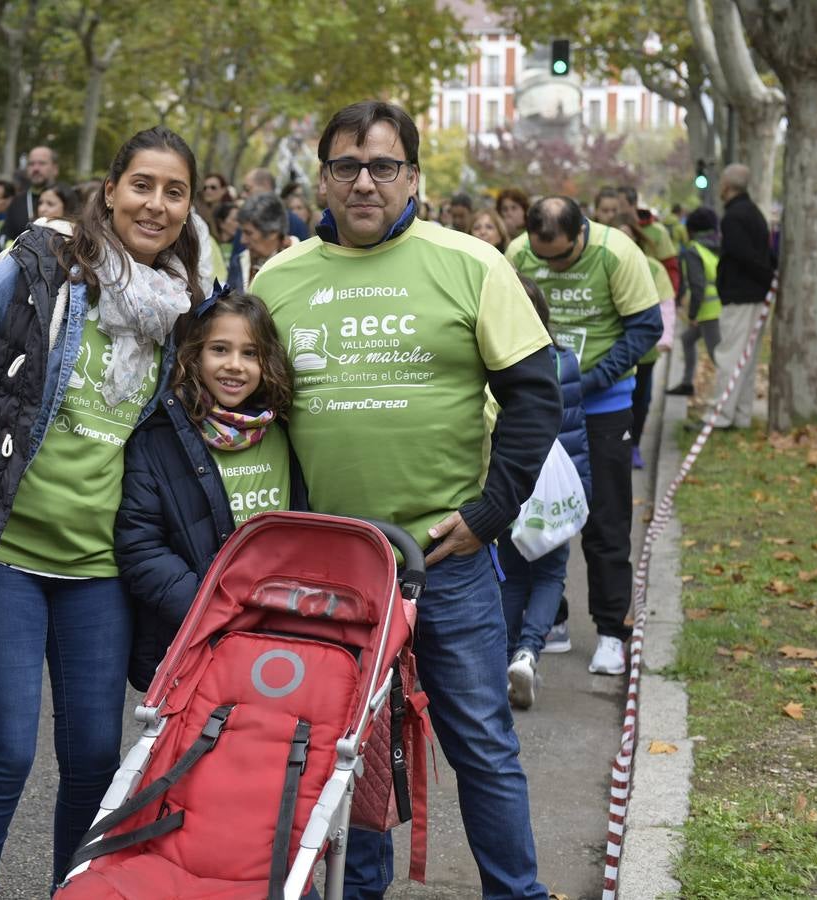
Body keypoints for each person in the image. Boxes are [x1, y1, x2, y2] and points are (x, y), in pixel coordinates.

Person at [252, 99, 560, 899]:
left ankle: (515, 893)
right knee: (346, 748)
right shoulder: (277, 279)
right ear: (322, 178)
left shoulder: (472, 264)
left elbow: (534, 397)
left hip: (444, 562)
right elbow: (248, 408)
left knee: (483, 748)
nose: (364, 183)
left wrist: (491, 513)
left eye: (382, 166)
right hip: (331, 568)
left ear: (413, 177)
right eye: (346, 167)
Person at [0, 125, 203, 897]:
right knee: (5, 749)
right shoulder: (41, 262)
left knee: (97, 755)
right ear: (110, 189)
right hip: (1, 547)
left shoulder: (182, 309)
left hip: (100, 565)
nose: (155, 204)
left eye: (174, 191)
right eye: (142, 185)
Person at [115, 289, 300, 690]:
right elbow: (140, 546)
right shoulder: (160, 438)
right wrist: (211, 609)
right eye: (220, 349)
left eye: (250, 353)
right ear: (194, 355)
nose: (235, 366)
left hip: (279, 628)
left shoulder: (286, 431)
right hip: (196, 634)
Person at [508, 197, 662, 676]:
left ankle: (612, 631)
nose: (549, 267)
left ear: (581, 234)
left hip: (603, 404)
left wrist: (588, 380)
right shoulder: (517, 252)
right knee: (530, 515)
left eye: (560, 257)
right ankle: (550, 619)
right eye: (542, 258)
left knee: (606, 520)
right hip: (536, 403)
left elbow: (646, 328)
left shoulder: (619, 254)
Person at [501, 276, 592, 710]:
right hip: (553, 486)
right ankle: (528, 651)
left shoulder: (491, 364)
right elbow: (575, 431)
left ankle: (504, 656)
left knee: (513, 573)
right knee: (551, 572)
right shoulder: (564, 361)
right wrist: (584, 487)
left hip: (507, 482)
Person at [709, 163, 774, 430]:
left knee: (729, 356)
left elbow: (742, 254)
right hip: (755, 295)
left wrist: (764, 277)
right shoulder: (754, 213)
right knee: (746, 360)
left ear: (727, 186)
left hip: (741, 296)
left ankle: (720, 417)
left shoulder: (734, 217)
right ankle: (741, 416)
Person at [614, 212, 675, 469]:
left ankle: (634, 445)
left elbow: (666, 304)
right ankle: (616, 445)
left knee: (641, 399)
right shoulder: (599, 266)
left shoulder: (653, 268)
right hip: (612, 352)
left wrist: (666, 337)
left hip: (645, 352)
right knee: (616, 403)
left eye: (629, 238)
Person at [666, 207, 722, 397]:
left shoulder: (693, 251)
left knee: (717, 355)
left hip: (707, 310)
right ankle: (687, 383)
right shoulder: (718, 245)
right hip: (718, 304)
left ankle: (726, 397)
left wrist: (692, 314)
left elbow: (697, 286)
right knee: (687, 339)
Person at [228, 193, 296, 291]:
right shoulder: (240, 262)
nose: (242, 240)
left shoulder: (300, 262)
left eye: (249, 233)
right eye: (242, 232)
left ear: (272, 232)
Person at [1, 145, 59, 240]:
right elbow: (6, 238)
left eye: (42, 163)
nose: (35, 169)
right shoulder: (16, 202)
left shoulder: (68, 198)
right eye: (31, 164)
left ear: (55, 169)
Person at [239, 167, 310, 240]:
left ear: (266, 186)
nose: (243, 195)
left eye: (247, 189)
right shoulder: (244, 221)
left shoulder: (295, 224)